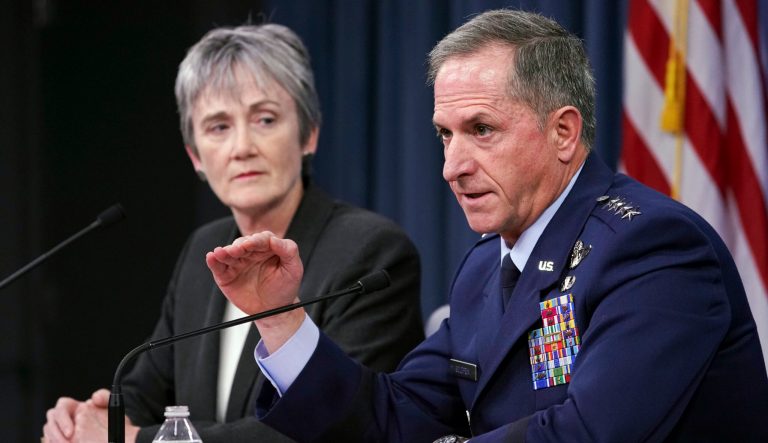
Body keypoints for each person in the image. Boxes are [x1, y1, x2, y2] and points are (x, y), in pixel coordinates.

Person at [205, 9, 768, 442]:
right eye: (444, 135)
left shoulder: (654, 248)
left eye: (481, 129)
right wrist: (280, 319)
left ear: (563, 133)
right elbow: (395, 417)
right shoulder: (486, 266)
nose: (452, 167)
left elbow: (589, 433)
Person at [42, 23, 424, 443]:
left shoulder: (370, 253)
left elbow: (328, 427)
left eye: (265, 119)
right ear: (195, 156)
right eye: (218, 127)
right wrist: (87, 419)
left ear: (308, 134)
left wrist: (134, 440)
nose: (242, 146)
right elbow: (143, 391)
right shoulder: (203, 250)